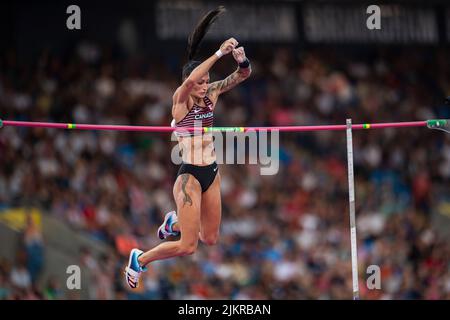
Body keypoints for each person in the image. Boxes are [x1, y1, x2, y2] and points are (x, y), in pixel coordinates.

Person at [125, 6, 252, 289]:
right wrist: (218, 54)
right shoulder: (180, 102)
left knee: (211, 238)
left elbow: (242, 76)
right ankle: (140, 259)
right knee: (188, 246)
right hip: (190, 177)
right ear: (189, 84)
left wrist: (241, 62)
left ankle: (173, 221)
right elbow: (192, 79)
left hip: (212, 172)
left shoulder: (212, 93)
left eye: (208, 82)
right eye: (202, 83)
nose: (206, 86)